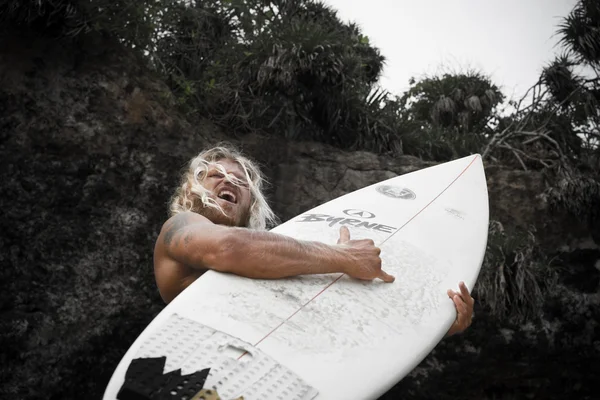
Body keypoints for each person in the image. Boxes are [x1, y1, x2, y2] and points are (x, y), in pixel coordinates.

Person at [153, 145, 474, 336]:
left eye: (240, 181)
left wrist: (436, 328)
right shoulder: (180, 226)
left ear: (251, 204)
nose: (230, 181)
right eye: (217, 175)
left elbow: (333, 319)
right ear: (193, 190)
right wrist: (342, 257)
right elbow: (229, 247)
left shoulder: (270, 261)